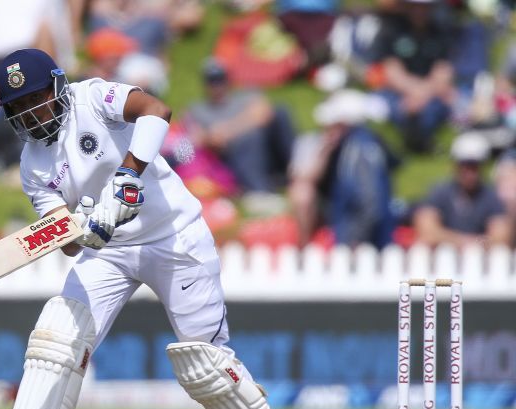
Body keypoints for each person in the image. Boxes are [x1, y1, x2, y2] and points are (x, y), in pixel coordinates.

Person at [0, 48, 305, 409]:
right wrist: (81, 230)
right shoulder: (34, 165)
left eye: (36, 99)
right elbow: (64, 240)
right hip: (110, 253)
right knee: (56, 337)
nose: (31, 113)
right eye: (19, 107)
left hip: (174, 236)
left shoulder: (92, 98)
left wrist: (128, 176)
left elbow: (156, 109)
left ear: (56, 87)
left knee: (204, 362)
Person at [287, 89, 397, 248]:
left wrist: (356, 238)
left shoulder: (360, 148)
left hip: (363, 241)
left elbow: (370, 200)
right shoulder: (355, 146)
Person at [184, 57, 295, 197]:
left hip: (266, 149)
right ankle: (258, 191)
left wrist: (228, 130)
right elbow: (190, 141)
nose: (217, 85)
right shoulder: (198, 110)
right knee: (250, 137)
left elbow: (265, 113)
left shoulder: (244, 97)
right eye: (212, 80)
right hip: (230, 159)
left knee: (280, 112)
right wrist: (210, 138)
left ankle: (296, 172)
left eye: (220, 79)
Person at [370, 0, 455, 153]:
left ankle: (420, 140)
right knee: (390, 107)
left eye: (424, 7)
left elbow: (443, 71)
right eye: (415, 6)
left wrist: (422, 94)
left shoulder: (441, 30)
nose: (419, 11)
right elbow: (391, 70)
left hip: (430, 92)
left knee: (441, 106)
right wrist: (414, 91)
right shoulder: (392, 28)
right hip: (399, 91)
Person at [412, 131, 512, 248]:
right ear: (455, 165)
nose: (469, 172)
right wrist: (467, 241)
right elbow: (427, 232)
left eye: (474, 166)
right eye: (464, 165)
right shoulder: (440, 193)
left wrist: (469, 242)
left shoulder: (491, 198)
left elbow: (500, 238)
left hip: (479, 261)